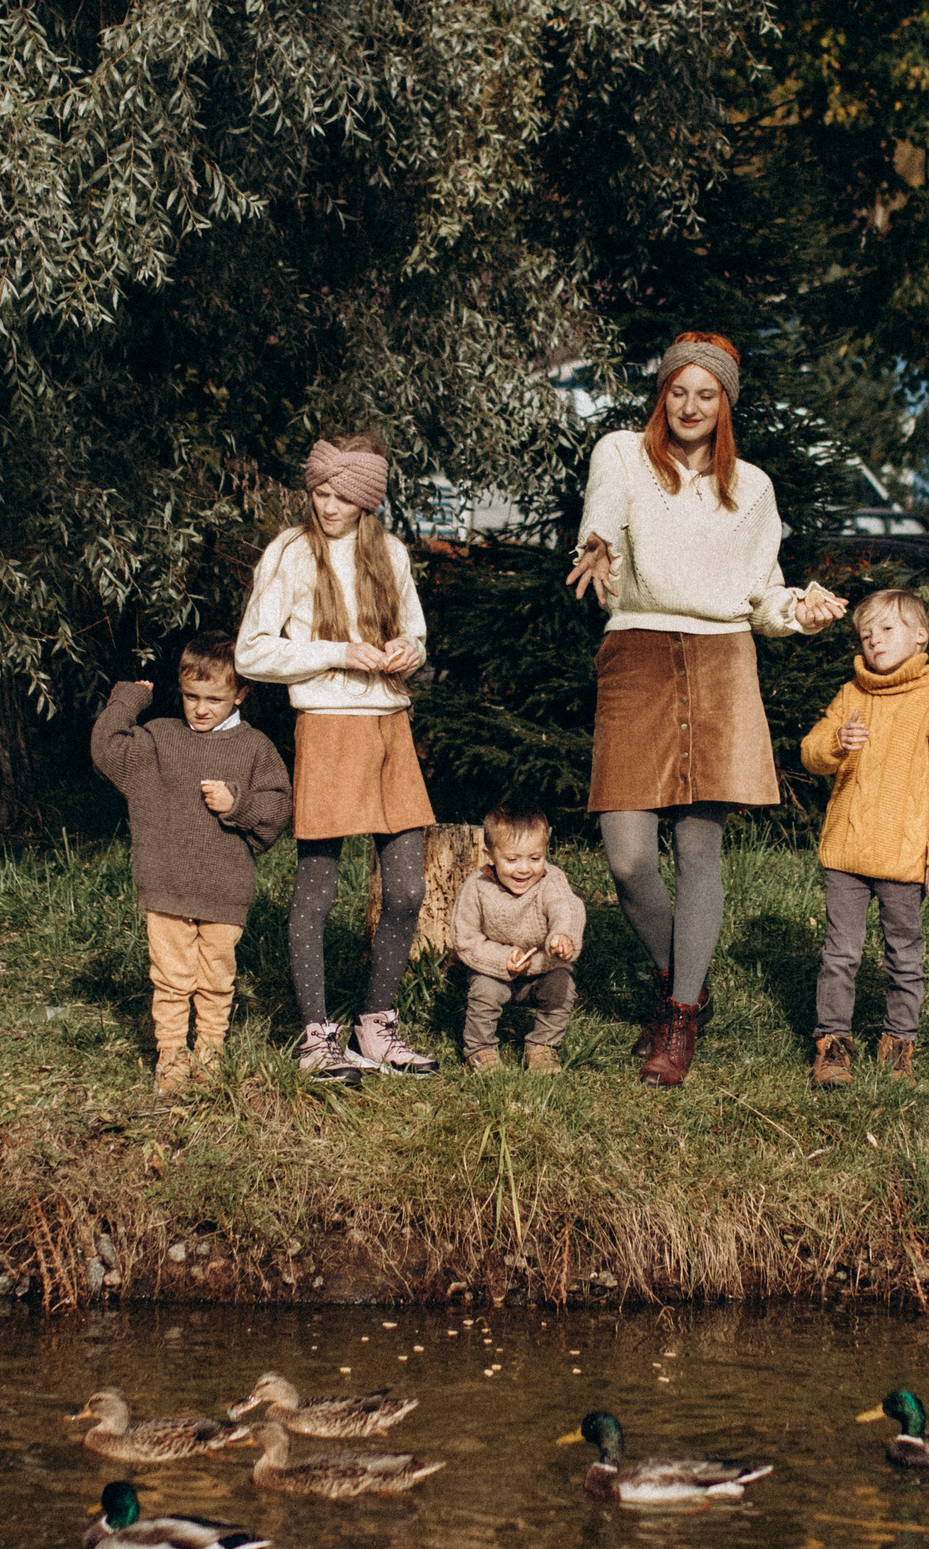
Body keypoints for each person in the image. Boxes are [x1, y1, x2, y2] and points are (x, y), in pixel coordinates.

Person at [566, 332, 848, 1086]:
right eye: (678, 391)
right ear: (662, 395)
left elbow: (763, 591)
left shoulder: (750, 485)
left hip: (723, 658)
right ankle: (681, 979)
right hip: (636, 653)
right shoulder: (621, 453)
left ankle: (680, 1015)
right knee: (627, 856)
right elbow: (604, 506)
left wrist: (803, 610)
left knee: (699, 853)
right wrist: (595, 542)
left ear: (725, 404)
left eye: (707, 394)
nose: (690, 406)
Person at [236, 434, 438, 1085]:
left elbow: (416, 629)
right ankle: (317, 1037)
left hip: (391, 730)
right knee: (317, 889)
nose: (327, 505)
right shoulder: (290, 552)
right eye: (319, 493)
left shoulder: (392, 552)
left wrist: (410, 650)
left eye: (341, 496)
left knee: (406, 888)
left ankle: (376, 1027)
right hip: (326, 728)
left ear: (366, 499)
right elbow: (251, 653)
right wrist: (335, 652)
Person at [90, 632, 292, 1095]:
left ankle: (211, 1051)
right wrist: (128, 700)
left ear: (241, 693)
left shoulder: (255, 747)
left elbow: (278, 809)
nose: (201, 709)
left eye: (215, 699)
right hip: (165, 884)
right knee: (171, 977)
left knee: (217, 977)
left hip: (225, 889)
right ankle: (172, 1055)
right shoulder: (158, 739)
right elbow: (105, 748)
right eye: (190, 697)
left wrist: (236, 804)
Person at [798, 588, 929, 1086]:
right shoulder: (851, 695)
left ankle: (899, 1042)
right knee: (840, 954)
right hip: (847, 854)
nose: (875, 641)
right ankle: (833, 1044)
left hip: (904, 859)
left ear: (921, 637)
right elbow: (810, 751)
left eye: (887, 629)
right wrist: (836, 743)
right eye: (866, 633)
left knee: (904, 955)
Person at [449, 800, 586, 1074]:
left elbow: (566, 909)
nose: (524, 869)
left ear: (546, 852)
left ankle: (543, 1046)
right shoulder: (477, 888)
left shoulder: (552, 881)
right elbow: (465, 939)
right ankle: (480, 1050)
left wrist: (562, 937)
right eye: (512, 860)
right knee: (484, 993)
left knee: (562, 986)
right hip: (494, 972)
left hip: (541, 969)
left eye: (535, 858)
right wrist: (501, 959)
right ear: (491, 856)